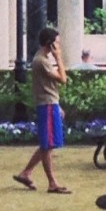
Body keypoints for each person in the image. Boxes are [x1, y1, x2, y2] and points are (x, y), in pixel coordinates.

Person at [14, 27, 70, 193]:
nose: (59, 47)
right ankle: (52, 182)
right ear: (50, 44)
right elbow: (63, 79)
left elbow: (46, 86)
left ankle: (26, 173)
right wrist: (58, 57)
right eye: (57, 43)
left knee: (47, 144)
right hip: (46, 105)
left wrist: (57, 104)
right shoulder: (42, 61)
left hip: (49, 104)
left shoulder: (42, 59)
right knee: (48, 144)